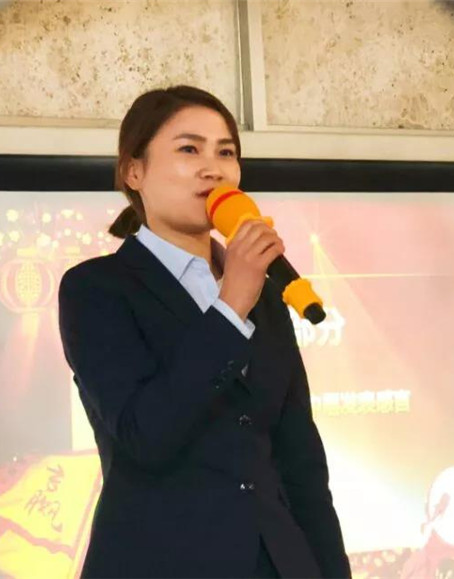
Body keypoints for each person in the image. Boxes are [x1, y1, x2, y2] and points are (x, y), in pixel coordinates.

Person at [58, 85, 350, 579]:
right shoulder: (97, 288)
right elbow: (145, 435)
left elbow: (301, 465)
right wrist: (231, 305)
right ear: (134, 172)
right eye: (189, 149)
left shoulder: (264, 293)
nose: (212, 168)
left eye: (226, 153)